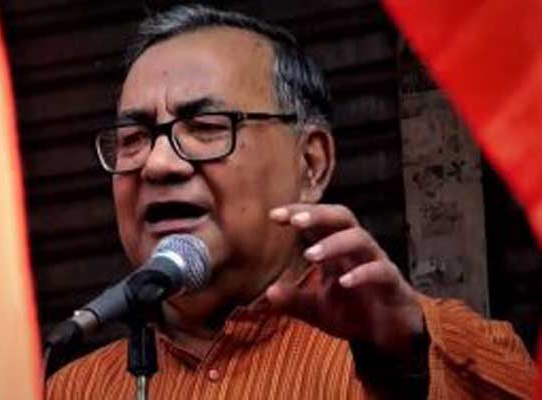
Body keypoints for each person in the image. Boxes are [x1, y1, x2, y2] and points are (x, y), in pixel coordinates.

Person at [46, 5, 535, 399]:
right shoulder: (73, 389)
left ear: (311, 164)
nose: (157, 164)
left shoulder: (424, 349)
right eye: (133, 138)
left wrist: (403, 362)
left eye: (207, 128)